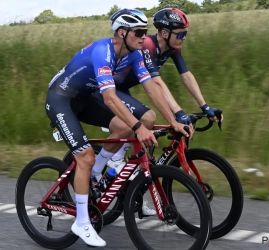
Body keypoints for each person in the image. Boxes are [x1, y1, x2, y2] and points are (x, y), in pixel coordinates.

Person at [45, 8, 191, 247]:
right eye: (139, 32)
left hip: (86, 98)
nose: (145, 37)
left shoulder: (133, 53)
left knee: (124, 129)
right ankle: (81, 222)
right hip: (62, 99)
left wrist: (174, 119)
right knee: (85, 156)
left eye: (145, 32)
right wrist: (139, 127)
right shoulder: (103, 52)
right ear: (122, 33)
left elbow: (152, 88)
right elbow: (111, 98)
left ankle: (96, 172)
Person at [93, 8, 224, 215]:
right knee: (147, 119)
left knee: (143, 153)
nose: (183, 37)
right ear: (165, 33)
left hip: (124, 89)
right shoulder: (146, 45)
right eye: (180, 33)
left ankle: (133, 192)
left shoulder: (173, 48)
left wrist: (205, 106)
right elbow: (156, 83)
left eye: (185, 33)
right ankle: (115, 159)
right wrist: (178, 114)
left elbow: (186, 75)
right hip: (111, 89)